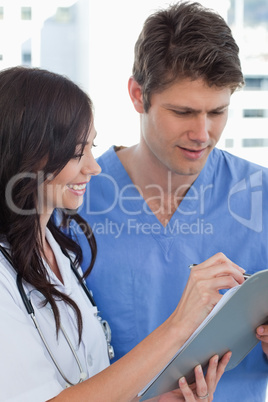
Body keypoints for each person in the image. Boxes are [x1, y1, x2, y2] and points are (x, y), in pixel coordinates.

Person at [0, 65, 245, 402]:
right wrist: (180, 326)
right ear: (25, 154)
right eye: (75, 153)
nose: (94, 167)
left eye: (91, 147)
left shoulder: (60, 249)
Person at [76, 2, 268, 402]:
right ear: (137, 95)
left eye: (218, 111)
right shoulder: (75, 199)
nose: (203, 133)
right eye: (183, 112)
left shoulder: (259, 194)